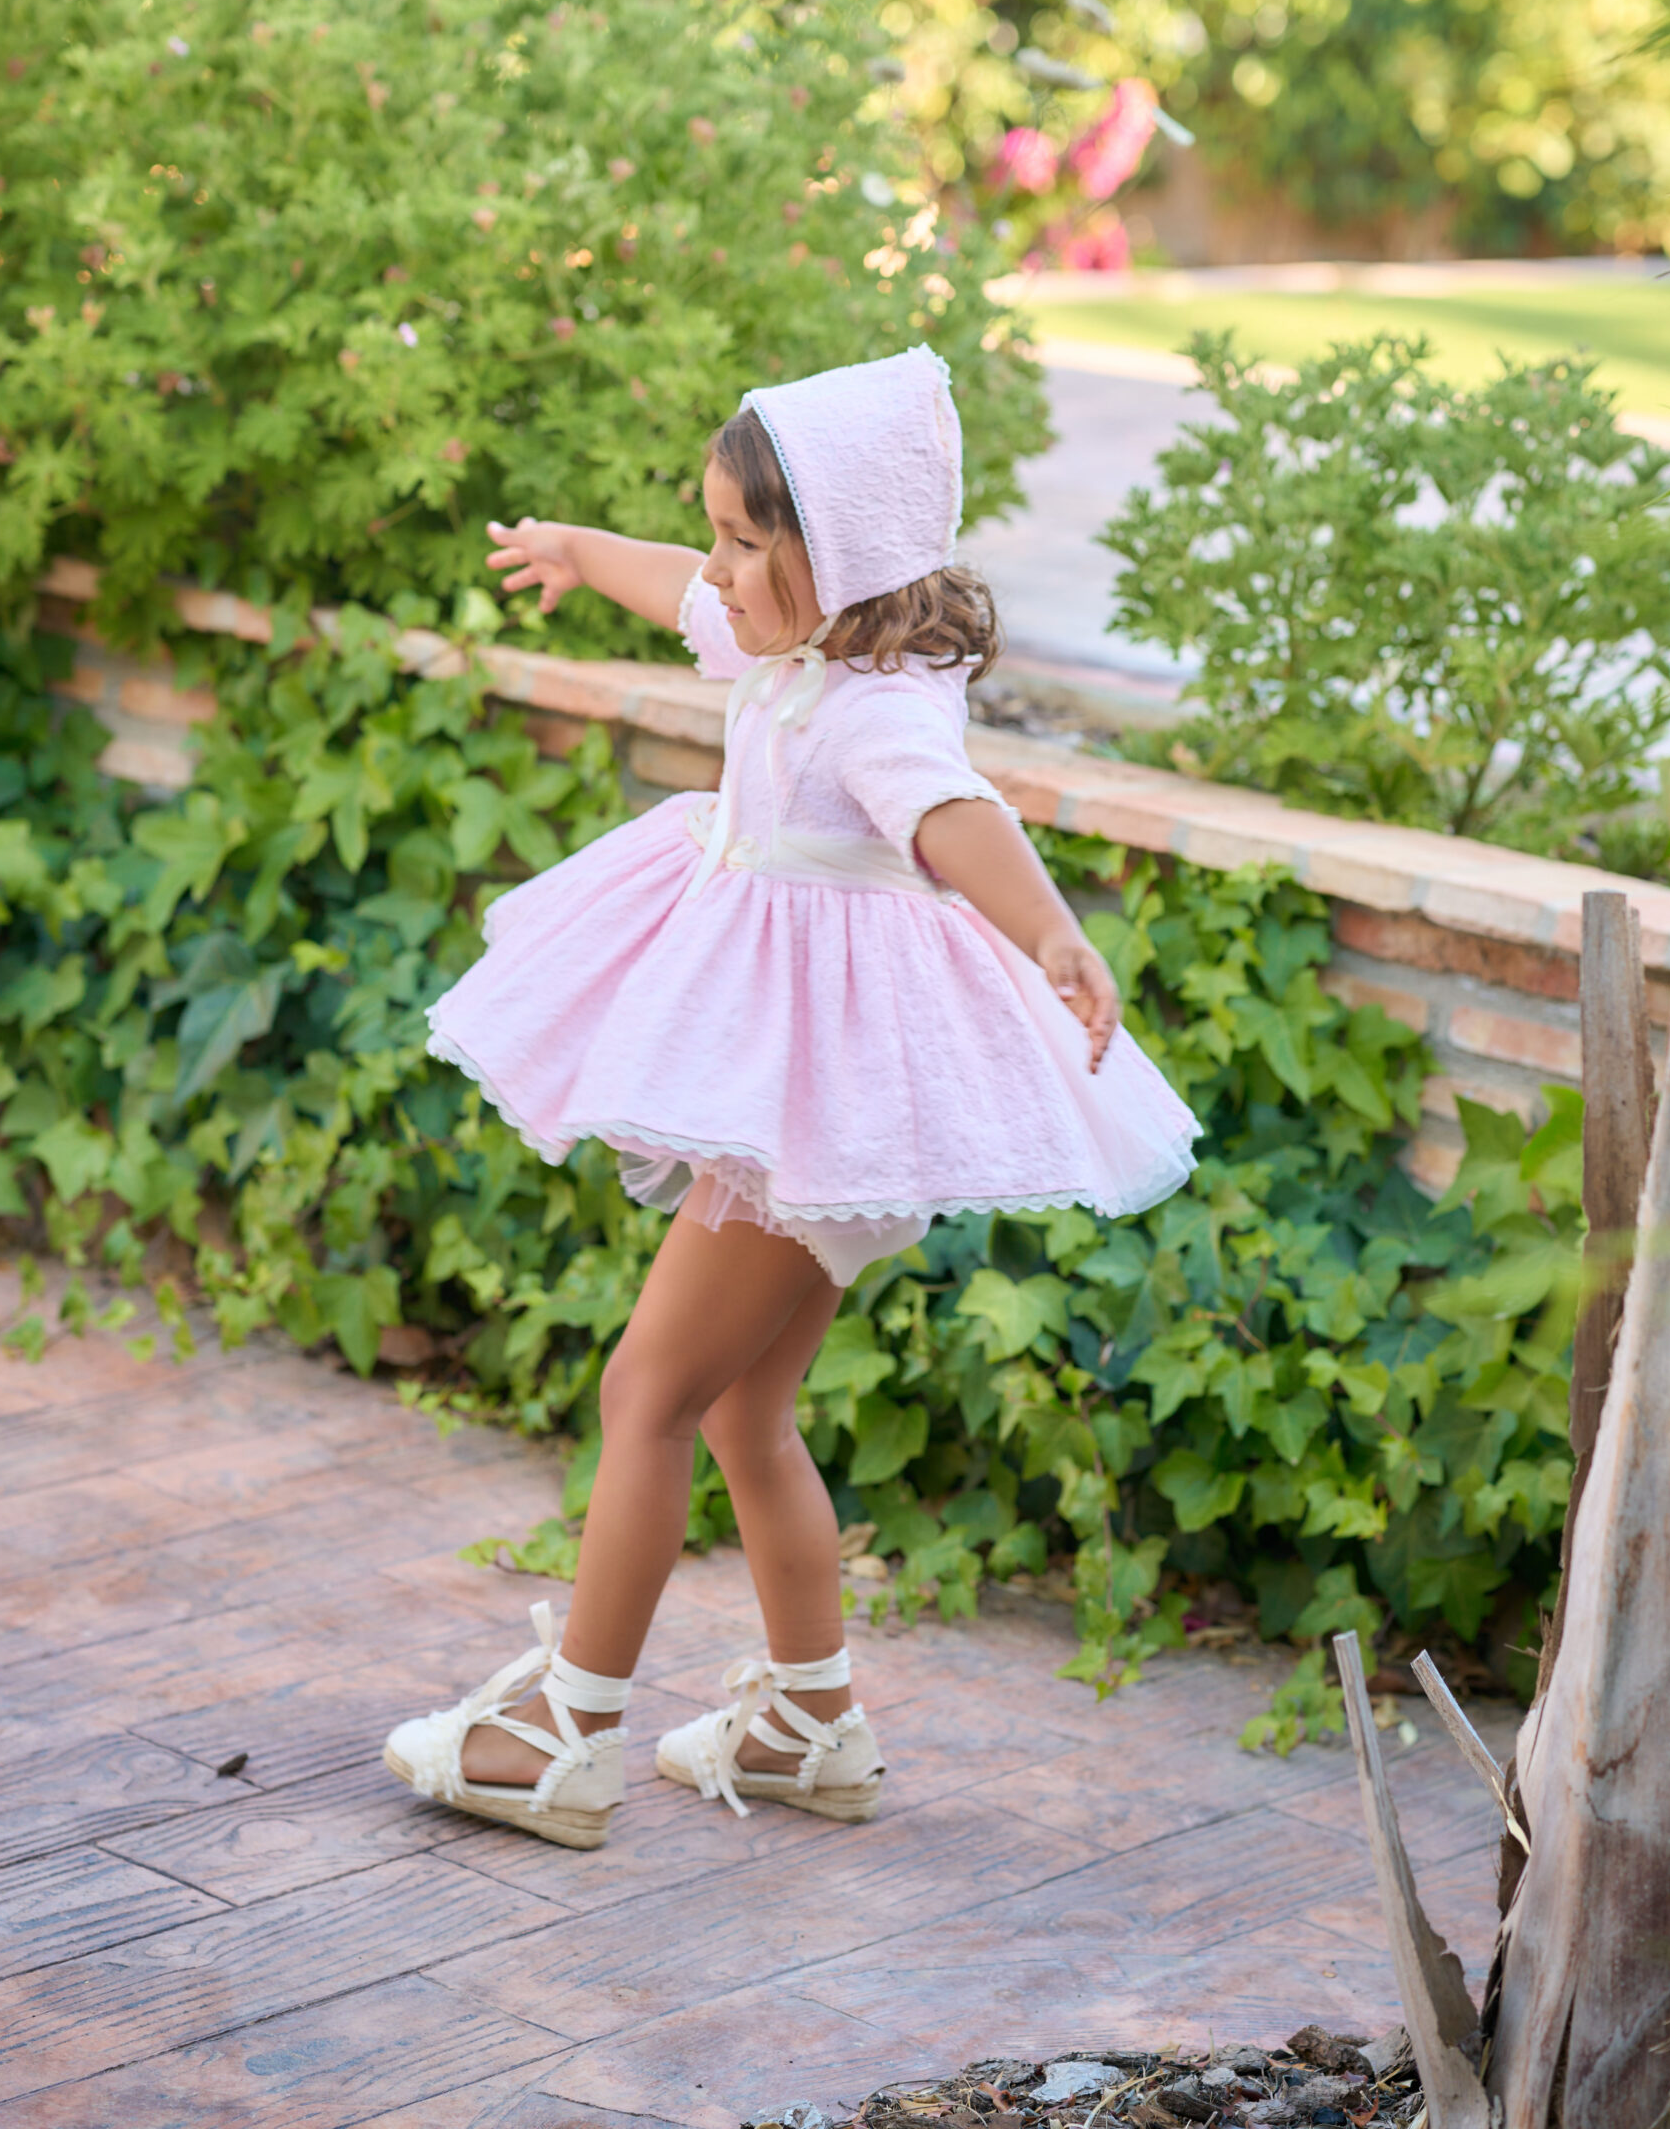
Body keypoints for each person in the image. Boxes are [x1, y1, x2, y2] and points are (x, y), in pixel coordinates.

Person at [383, 344, 1199, 1849]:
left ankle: (569, 1729)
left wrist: (1051, 935)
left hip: (810, 1121)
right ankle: (810, 1722)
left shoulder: (876, 712)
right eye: (718, 533)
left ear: (850, 559)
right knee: (749, 1410)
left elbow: (960, 820)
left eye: (746, 543)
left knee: (648, 1393)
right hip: (823, 1115)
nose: (717, 569)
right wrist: (572, 548)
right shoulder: (803, 646)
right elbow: (673, 594)